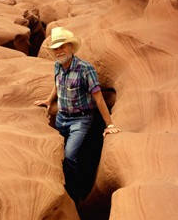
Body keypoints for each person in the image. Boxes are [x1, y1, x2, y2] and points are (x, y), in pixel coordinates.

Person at [34, 27, 121, 204]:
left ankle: (74, 192)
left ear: (70, 48)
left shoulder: (85, 69)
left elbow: (99, 99)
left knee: (70, 155)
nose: (59, 51)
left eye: (62, 47)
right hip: (61, 117)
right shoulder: (57, 66)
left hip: (80, 120)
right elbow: (57, 85)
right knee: (54, 153)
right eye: (56, 48)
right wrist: (48, 100)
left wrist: (109, 124)